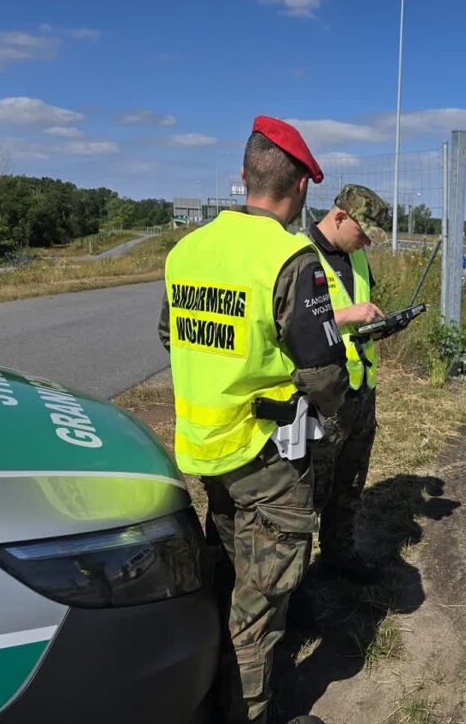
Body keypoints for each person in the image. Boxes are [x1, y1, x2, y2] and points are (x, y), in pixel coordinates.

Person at [160, 116, 349, 724]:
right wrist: (328, 416)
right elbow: (323, 375)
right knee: (260, 602)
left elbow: (171, 336)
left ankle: (204, 695)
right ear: (298, 189)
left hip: (204, 449)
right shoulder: (291, 256)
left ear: (243, 176)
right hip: (266, 455)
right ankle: (249, 714)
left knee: (224, 573)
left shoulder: (186, 250)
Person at [299, 184, 392, 583]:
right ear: (339, 216)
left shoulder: (356, 258)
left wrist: (376, 323)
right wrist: (347, 315)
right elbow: (290, 324)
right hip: (321, 399)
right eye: (363, 232)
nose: (367, 241)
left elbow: (358, 315)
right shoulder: (300, 257)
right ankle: (297, 581)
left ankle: (340, 554)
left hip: (359, 392)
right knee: (306, 495)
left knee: (350, 483)